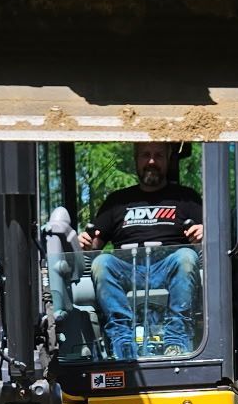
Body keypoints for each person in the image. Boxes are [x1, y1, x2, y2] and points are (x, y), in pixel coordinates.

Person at [79, 142, 201, 359]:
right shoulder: (117, 201)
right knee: (102, 263)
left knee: (186, 257)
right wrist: (87, 244)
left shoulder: (186, 198)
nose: (151, 161)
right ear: (136, 159)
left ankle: (176, 343)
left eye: (158, 155)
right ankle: (123, 345)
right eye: (145, 155)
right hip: (129, 269)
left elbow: (210, 238)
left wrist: (204, 232)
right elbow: (95, 244)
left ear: (168, 159)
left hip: (169, 267)